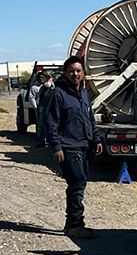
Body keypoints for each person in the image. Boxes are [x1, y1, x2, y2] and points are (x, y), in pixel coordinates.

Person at [40, 56, 103, 238]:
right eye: (71, 71)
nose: (75, 74)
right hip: (69, 147)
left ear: (83, 73)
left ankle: (71, 225)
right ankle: (75, 225)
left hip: (84, 145)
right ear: (65, 73)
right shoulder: (58, 94)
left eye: (78, 71)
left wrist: (96, 139)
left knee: (79, 184)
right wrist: (56, 147)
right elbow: (50, 122)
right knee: (76, 184)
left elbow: (89, 118)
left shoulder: (83, 94)